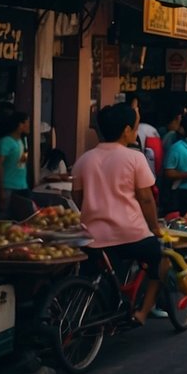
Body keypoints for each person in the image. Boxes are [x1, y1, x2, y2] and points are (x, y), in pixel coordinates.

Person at [71, 103, 166, 326]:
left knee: (96, 271)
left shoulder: (84, 160)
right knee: (160, 261)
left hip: (92, 237)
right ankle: (143, 312)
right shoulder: (134, 158)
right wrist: (155, 229)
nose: (136, 132)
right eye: (135, 127)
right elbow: (145, 199)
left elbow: (77, 198)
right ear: (126, 131)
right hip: (130, 234)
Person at [0, 112, 29, 216]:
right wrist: (1, 190)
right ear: (20, 125)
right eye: (28, 123)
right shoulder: (5, 142)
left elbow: (21, 163)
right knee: (2, 217)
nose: (30, 126)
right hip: (6, 187)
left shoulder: (22, 141)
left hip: (20, 187)